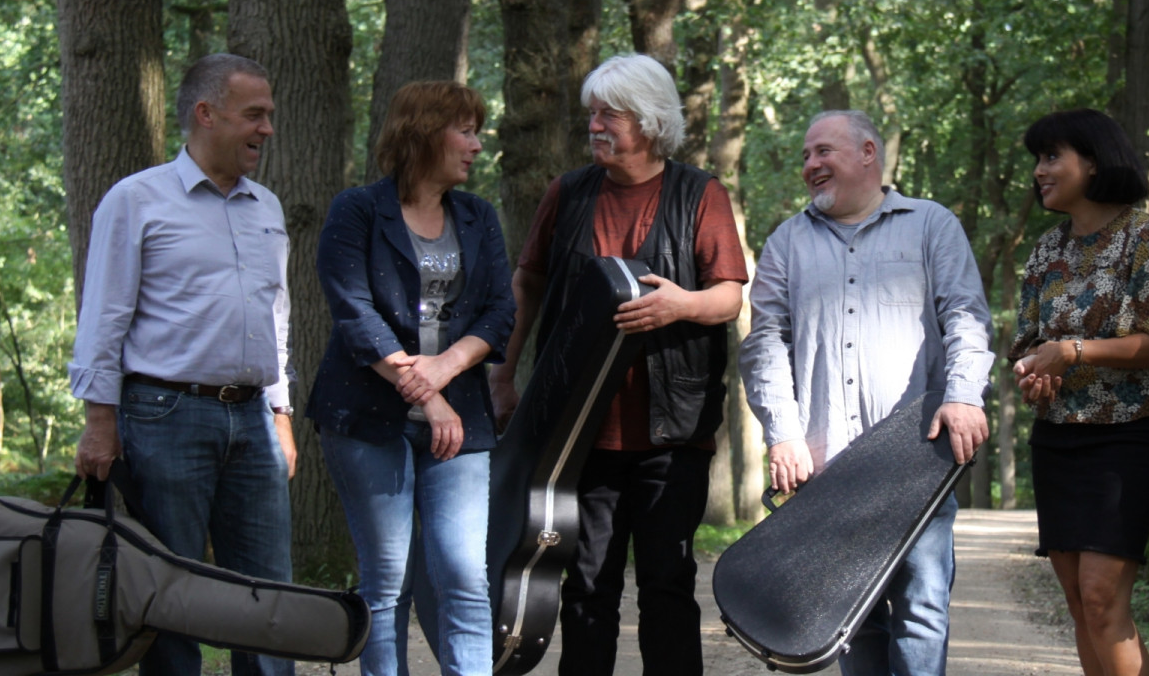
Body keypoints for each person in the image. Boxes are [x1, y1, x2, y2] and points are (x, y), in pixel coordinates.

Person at [490, 53, 746, 676]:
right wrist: (502, 373)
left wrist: (680, 304)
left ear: (650, 120)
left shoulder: (701, 193)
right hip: (579, 432)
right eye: (592, 113)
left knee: (666, 584)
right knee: (585, 585)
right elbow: (527, 285)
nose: (595, 125)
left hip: (673, 432)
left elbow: (729, 297)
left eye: (610, 114)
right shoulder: (567, 193)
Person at [740, 109, 993, 676]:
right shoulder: (786, 242)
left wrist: (963, 395)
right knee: (851, 619)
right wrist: (783, 434)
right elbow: (764, 345)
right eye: (806, 156)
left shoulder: (932, 225)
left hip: (918, 461)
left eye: (823, 151)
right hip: (826, 464)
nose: (811, 164)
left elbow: (966, 317)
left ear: (868, 153)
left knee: (921, 610)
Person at [69, 53, 296, 676]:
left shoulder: (267, 207)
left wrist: (281, 414)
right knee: (168, 588)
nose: (267, 129)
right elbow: (103, 317)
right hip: (164, 415)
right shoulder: (135, 199)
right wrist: (99, 421)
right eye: (254, 115)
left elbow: (276, 319)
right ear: (206, 114)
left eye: (269, 115)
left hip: (253, 420)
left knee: (269, 593)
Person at [307, 81, 514, 676]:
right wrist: (426, 393)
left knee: (465, 576)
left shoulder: (477, 216)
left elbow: (501, 310)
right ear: (424, 133)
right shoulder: (357, 210)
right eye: (465, 131)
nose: (476, 145)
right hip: (366, 415)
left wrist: (445, 370)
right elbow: (354, 311)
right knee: (387, 576)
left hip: (460, 421)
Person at [1009, 109, 1149, 676]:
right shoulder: (1046, 251)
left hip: (1131, 434)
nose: (1040, 171)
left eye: (1051, 157)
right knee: (1077, 601)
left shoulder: (1144, 238)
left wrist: (1074, 352)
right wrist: (1033, 372)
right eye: (1037, 160)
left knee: (1101, 595)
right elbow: (1027, 343)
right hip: (1058, 435)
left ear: (1092, 162)